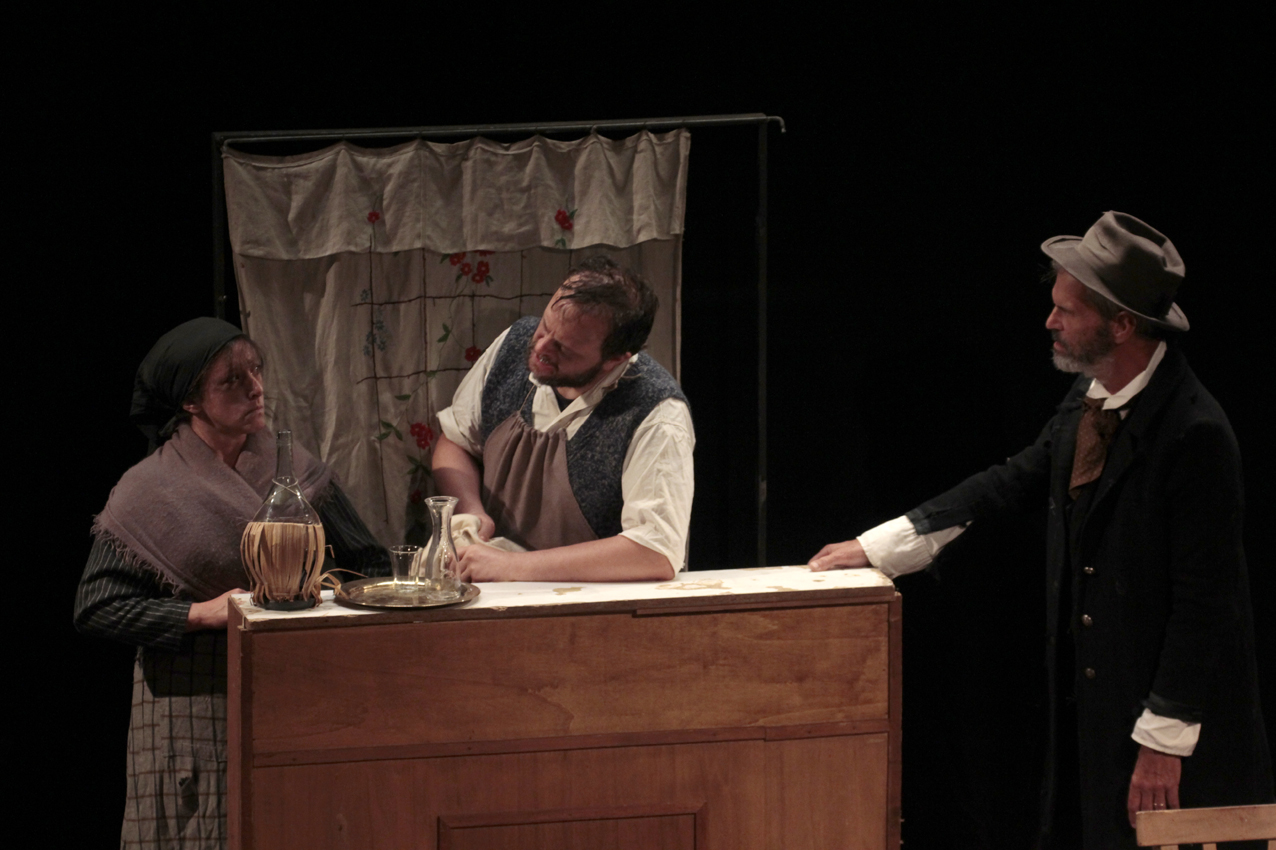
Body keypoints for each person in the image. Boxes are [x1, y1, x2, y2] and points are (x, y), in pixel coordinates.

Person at [809, 212, 1272, 848]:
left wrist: (1163, 742)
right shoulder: (1089, 394)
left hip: (1166, 734)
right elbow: (1014, 479)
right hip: (1098, 713)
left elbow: (1205, 604)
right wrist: (881, 545)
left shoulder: (1194, 432)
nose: (1050, 321)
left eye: (1066, 311)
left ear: (1121, 324)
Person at [75, 318, 388, 849]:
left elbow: (370, 563)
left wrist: (328, 602)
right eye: (232, 380)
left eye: (256, 372)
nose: (256, 388)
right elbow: (96, 606)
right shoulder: (148, 490)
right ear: (191, 402)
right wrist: (202, 613)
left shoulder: (294, 472)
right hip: (192, 697)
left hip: (294, 684)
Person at [432, 256, 695, 583]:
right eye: (544, 327)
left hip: (586, 604)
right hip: (491, 591)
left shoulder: (657, 414)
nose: (541, 348)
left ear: (615, 358)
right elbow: (455, 443)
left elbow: (655, 552)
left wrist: (511, 566)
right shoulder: (515, 345)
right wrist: (471, 511)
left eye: (564, 348)